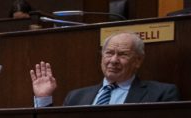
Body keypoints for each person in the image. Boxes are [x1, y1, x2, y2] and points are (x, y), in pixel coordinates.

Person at [30, 32, 180, 107]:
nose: (113, 60)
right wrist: (44, 98)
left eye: (123, 54)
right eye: (109, 53)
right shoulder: (76, 97)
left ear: (138, 61)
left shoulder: (161, 95)